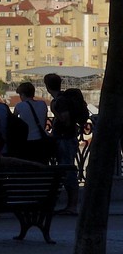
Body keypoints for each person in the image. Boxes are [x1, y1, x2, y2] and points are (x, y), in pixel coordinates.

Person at [45, 72, 85, 214]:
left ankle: (72, 205)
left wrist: (54, 110)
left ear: (47, 87)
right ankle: (71, 205)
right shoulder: (64, 98)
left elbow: (65, 119)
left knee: (68, 171)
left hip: (65, 139)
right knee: (67, 171)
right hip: (68, 138)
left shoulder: (60, 101)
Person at [10, 81, 52, 164]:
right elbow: (44, 122)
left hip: (27, 141)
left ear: (22, 94)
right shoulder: (42, 104)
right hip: (41, 140)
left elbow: (13, 121)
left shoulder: (20, 106)